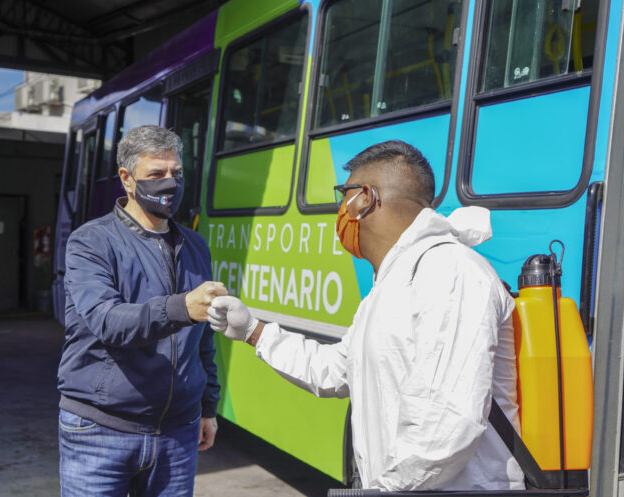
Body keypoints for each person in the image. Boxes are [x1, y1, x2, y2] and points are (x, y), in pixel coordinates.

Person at [208, 140, 526, 491]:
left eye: (342, 195)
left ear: (364, 198)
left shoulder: (449, 271)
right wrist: (255, 331)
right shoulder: (391, 284)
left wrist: (386, 489)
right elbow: (335, 371)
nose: (340, 209)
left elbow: (447, 422)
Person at [57, 125, 226, 497]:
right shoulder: (91, 242)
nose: (170, 183)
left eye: (176, 173)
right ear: (127, 179)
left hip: (177, 435)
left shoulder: (194, 245)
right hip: (100, 432)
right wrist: (182, 307)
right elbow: (107, 321)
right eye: (156, 174)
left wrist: (208, 406)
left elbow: (203, 341)